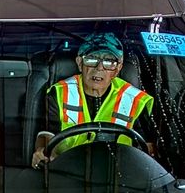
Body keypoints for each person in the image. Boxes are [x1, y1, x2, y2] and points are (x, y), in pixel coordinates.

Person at [31, 33, 157, 169]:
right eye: (92, 59)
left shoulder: (135, 100)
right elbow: (47, 133)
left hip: (118, 176)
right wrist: (43, 152)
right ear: (79, 63)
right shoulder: (60, 93)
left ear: (117, 69)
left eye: (109, 62)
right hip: (68, 173)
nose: (99, 68)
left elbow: (146, 149)